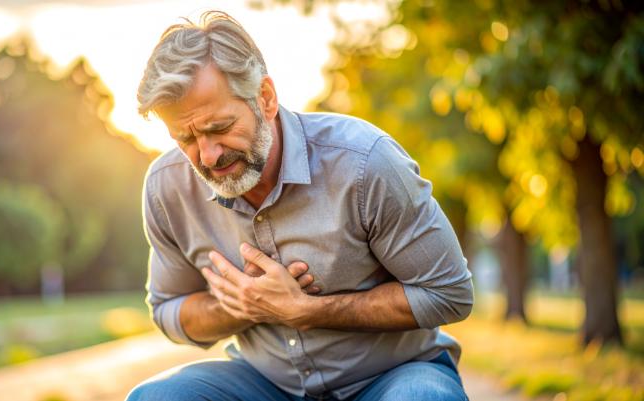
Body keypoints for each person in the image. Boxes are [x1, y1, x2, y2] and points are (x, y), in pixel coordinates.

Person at [128, 10, 473, 401]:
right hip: (264, 385)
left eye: (219, 128)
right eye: (185, 138)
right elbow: (168, 309)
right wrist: (244, 306)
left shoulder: (365, 163)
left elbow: (449, 293)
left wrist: (308, 310)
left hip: (393, 377)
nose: (207, 156)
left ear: (266, 98)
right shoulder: (165, 187)